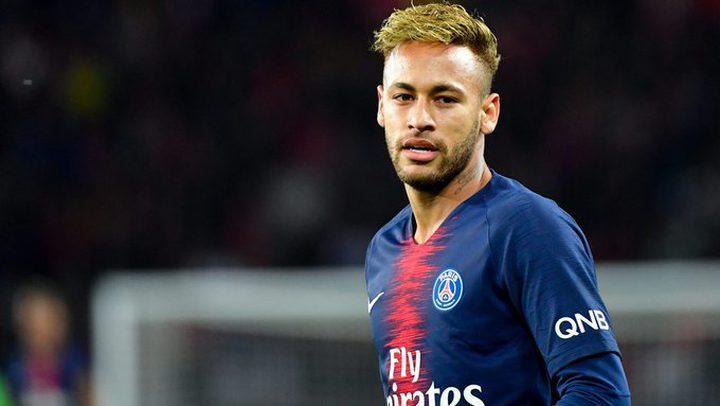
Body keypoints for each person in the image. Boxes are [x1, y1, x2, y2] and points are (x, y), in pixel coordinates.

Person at [364, 3, 631, 405]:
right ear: (382, 106)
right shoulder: (384, 249)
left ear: (487, 113)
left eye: (444, 99)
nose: (419, 119)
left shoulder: (526, 227)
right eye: (404, 96)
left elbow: (601, 394)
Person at [6, 283, 91, 406]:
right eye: (34, 328)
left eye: (49, 323)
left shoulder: (74, 364)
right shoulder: (14, 369)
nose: (43, 335)